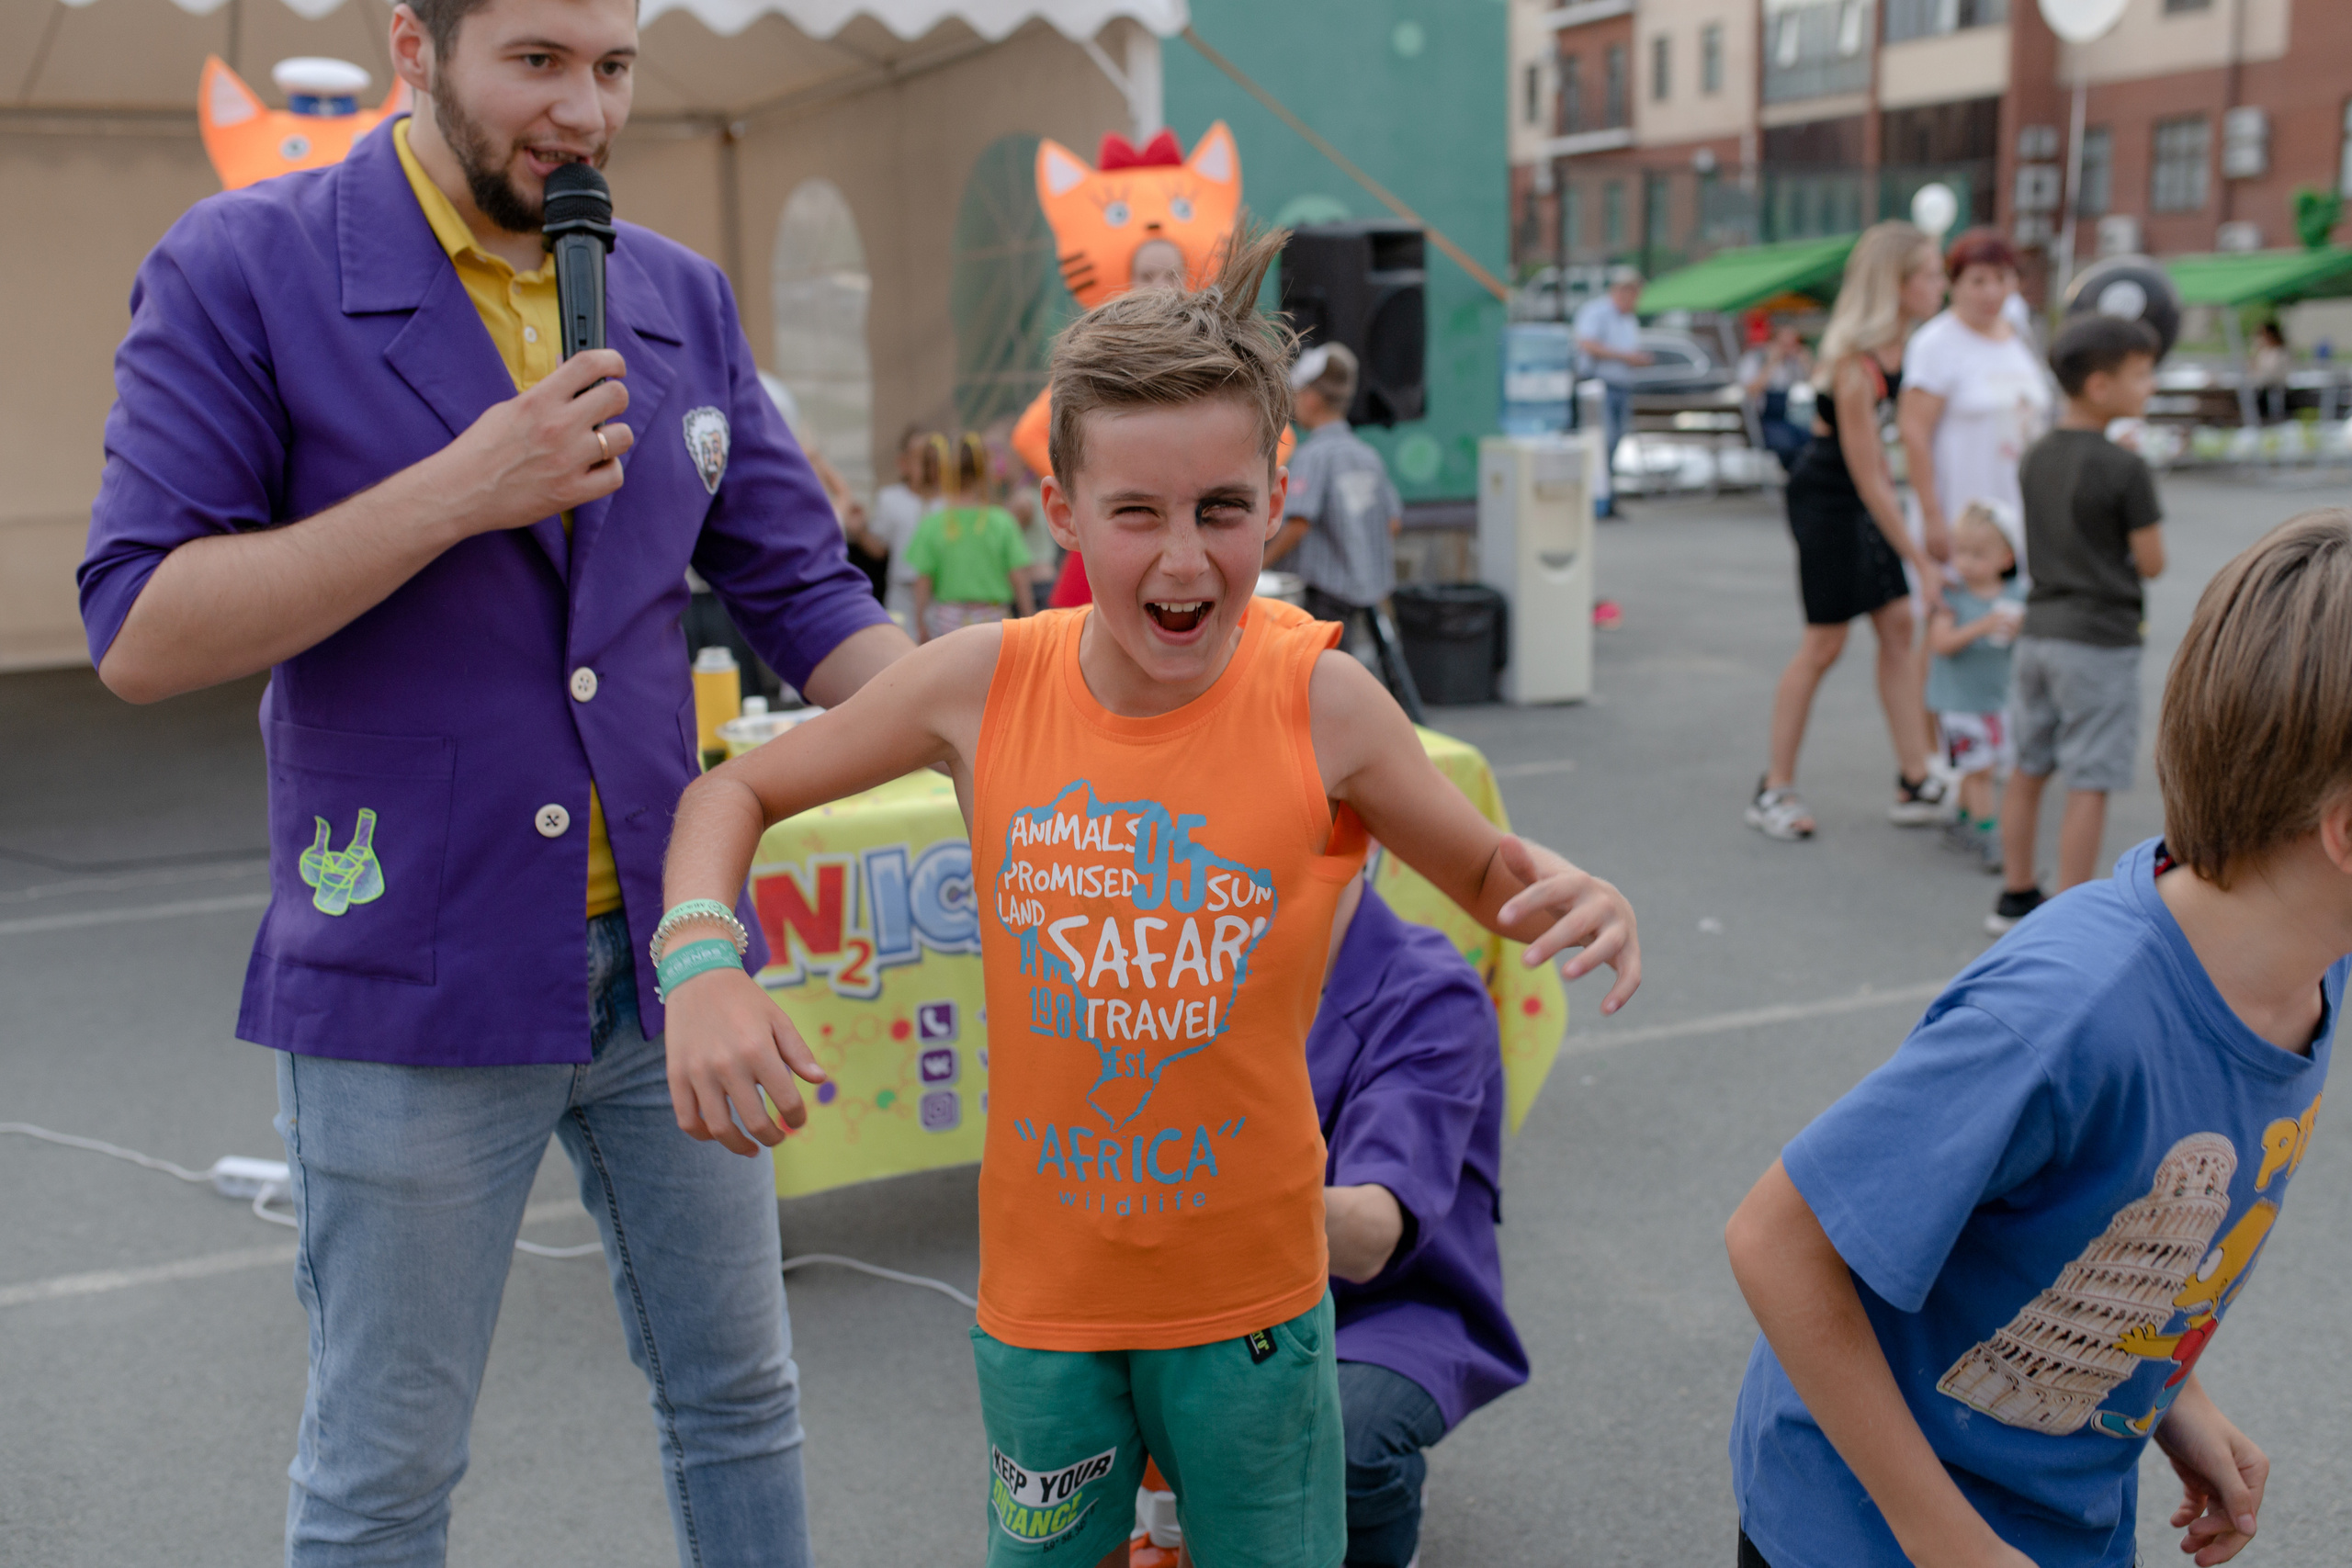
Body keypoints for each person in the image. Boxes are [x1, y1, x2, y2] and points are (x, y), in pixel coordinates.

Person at [654, 228, 1640, 1568]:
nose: (1184, 561)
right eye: (1136, 514)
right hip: (1045, 1308)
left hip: (1256, 1311)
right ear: (1061, 512)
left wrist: (1576, 887)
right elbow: (732, 794)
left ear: (1276, 501)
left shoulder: (1326, 702)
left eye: (1222, 509)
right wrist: (704, 960)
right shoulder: (980, 681)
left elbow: (1489, 875)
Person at [74, 0, 913, 1560]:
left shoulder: (679, 294)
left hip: (682, 961)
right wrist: (458, 492)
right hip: (411, 971)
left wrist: (1004, 726)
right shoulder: (242, 265)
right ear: (415, 46)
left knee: (740, 1399)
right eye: (536, 63)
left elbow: (810, 595)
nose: (585, 115)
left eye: (612, 69)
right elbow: (139, 627)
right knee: (382, 1474)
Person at [1724, 507, 2352, 1568]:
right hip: (1869, 1531)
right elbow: (1777, 1242)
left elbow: (2096, 1231)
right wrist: (1946, 1542)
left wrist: (2171, 1394)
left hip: (2057, 1508)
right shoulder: (2067, 1012)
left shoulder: (2305, 966)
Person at [1127, 872, 1528, 1568]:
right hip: (1234, 1290)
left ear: (1355, 840)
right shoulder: (1193, 966)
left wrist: (1204, 1174)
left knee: (1343, 1439)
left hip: (1390, 1305)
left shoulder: (1429, 993)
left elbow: (1370, 1236)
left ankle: (1375, 1528)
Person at [1747, 222, 1951, 841]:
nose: (1940, 284)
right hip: (1829, 497)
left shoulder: (1907, 346)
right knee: (1824, 643)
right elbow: (1870, 480)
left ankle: (1915, 775)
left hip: (1863, 496)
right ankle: (1773, 786)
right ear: (1897, 283)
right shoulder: (1855, 363)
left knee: (1896, 625)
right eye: (1931, 274)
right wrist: (1922, 557)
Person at [1990, 315, 2166, 935]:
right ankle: (2070, 915)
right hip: (2099, 637)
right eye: (2141, 374)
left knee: (2029, 765)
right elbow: (2153, 561)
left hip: (2038, 629)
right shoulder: (2125, 469)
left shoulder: (2037, 456)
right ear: (2100, 385)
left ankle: (2014, 893)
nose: (2150, 385)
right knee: (2089, 776)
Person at [1898, 229, 2052, 580]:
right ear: (1954, 284)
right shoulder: (1936, 344)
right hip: (1961, 512)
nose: (1991, 292)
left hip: (2016, 506)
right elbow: (1914, 431)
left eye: (2001, 278)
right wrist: (1932, 517)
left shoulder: (2020, 336)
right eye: (1978, 281)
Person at [1268, 344, 1403, 633]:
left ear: (1313, 399)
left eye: (1298, 394)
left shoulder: (1313, 455)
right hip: (1363, 591)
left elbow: (1298, 524)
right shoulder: (1368, 456)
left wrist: (1262, 563)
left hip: (1321, 595)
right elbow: (1392, 522)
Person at [1925, 503, 2027, 874]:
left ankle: (1963, 817)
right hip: (1957, 701)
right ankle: (1989, 834)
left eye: (1978, 554)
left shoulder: (2016, 595)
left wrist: (2018, 632)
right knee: (1981, 769)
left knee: (1979, 766)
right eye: (1961, 552)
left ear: (2006, 557)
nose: (1966, 562)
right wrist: (1980, 627)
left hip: (1994, 698)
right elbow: (1941, 644)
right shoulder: (1951, 596)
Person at [906, 433, 1035, 642]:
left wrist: (919, 621)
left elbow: (923, 581)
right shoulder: (1002, 521)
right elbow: (1019, 577)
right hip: (994, 619)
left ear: (945, 471)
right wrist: (1030, 619)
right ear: (983, 471)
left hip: (947, 619)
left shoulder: (933, 524)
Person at [1574, 265, 1651, 520]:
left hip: (1622, 386)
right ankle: (1596, 500)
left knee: (1615, 443)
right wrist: (1625, 357)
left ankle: (1606, 500)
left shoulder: (1629, 319)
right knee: (1601, 443)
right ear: (1618, 291)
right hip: (1598, 386)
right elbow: (1586, 344)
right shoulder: (1597, 312)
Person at [869, 424, 939, 622]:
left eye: (932, 460)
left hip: (940, 596)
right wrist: (859, 531)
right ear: (903, 462)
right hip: (901, 592)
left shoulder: (951, 504)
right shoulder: (889, 499)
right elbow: (879, 547)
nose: (927, 467)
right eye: (921, 459)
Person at [1739, 318, 1815, 473]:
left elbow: (1815, 387)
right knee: (1786, 444)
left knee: (1810, 441)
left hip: (1793, 417)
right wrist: (1771, 363)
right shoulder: (1756, 359)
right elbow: (1750, 391)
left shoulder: (1795, 362)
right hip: (1766, 421)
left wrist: (1807, 364)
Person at [2250, 321, 2290, 424]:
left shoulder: (2280, 352)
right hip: (2260, 388)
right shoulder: (2262, 352)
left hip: (2274, 390)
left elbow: (2273, 374)